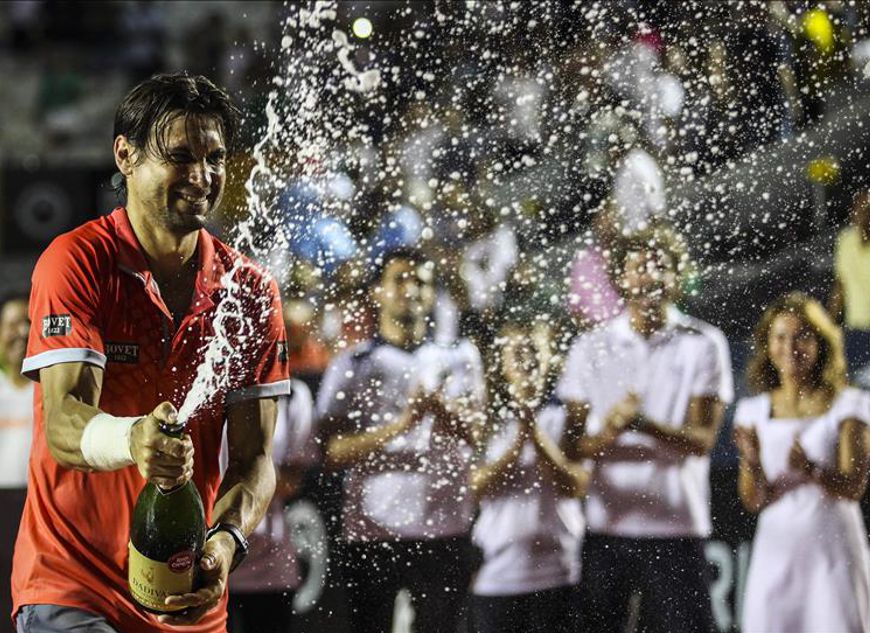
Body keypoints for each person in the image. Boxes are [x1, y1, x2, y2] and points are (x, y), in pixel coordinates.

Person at [12, 72, 291, 632]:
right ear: (126, 155)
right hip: (73, 584)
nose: (202, 176)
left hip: (186, 595)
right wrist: (132, 438)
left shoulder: (251, 291)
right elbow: (65, 423)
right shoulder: (77, 262)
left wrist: (225, 546)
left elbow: (254, 461)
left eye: (214, 157)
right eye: (180, 156)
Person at [557, 222, 733, 633]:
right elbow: (570, 446)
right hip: (606, 527)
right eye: (638, 267)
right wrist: (611, 433)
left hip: (678, 526)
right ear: (619, 278)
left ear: (676, 277)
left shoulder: (705, 342)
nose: (649, 276)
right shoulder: (589, 347)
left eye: (660, 266)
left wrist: (638, 423)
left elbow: (702, 441)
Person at [316, 247, 486, 633]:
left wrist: (439, 409)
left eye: (422, 282)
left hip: (445, 529)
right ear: (377, 292)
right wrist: (402, 425)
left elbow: (477, 435)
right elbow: (330, 453)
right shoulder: (352, 364)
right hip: (373, 530)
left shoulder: (461, 356)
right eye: (400, 279)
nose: (411, 289)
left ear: (432, 295)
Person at [734, 292, 870, 632]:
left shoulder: (850, 404)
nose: (791, 346)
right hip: (776, 550)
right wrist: (752, 462)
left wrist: (811, 470)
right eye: (781, 336)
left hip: (834, 552)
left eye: (802, 335)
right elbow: (753, 500)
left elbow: (854, 487)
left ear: (820, 343)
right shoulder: (752, 412)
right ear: (768, 344)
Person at [469, 309, 587, 633]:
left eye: (534, 351)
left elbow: (575, 484)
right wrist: (519, 439)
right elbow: (475, 487)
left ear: (550, 357)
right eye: (516, 353)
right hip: (497, 576)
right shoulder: (486, 423)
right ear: (501, 364)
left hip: (559, 572)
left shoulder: (566, 417)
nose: (526, 362)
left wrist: (532, 430)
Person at [224, 378, 317, 633]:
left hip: (269, 562)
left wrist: (252, 463)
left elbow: (292, 482)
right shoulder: (200, 385)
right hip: (208, 560)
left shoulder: (293, 393)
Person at [0, 293, 33, 633]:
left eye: (28, 323)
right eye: (12, 324)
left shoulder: (52, 394)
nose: (21, 332)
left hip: (34, 515)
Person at [829, 190, 870, 380]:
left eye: (866, 209)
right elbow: (840, 285)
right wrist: (828, 324)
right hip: (855, 328)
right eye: (858, 208)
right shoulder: (845, 240)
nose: (860, 213)